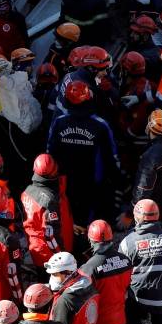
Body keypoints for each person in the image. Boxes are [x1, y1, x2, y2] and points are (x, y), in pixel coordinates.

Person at [47, 79, 123, 228]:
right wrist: (118, 182)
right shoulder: (100, 125)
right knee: (89, 224)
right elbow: (112, 158)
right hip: (92, 185)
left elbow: (50, 153)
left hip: (65, 184)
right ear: (89, 98)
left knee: (67, 221)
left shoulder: (58, 122)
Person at [21, 154, 72, 270]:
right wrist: (61, 257)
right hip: (51, 255)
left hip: (36, 248)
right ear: (54, 171)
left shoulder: (27, 191)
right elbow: (50, 234)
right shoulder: (50, 200)